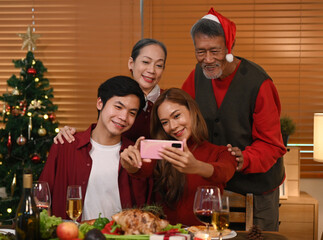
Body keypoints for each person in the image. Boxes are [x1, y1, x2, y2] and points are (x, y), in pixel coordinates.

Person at [181, 8, 286, 230]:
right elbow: (182, 118)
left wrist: (243, 159)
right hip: (213, 184)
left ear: (230, 47)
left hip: (257, 189)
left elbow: (272, 144)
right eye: (200, 52)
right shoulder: (196, 76)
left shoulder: (259, 83)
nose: (207, 60)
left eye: (215, 51)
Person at [39, 75, 150, 221]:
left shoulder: (136, 153)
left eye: (132, 113)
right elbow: (41, 200)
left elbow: (147, 209)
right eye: (118, 107)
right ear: (100, 103)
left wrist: (135, 170)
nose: (124, 117)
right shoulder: (66, 144)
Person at [120, 88, 237, 226]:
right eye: (165, 122)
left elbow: (224, 172)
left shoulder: (221, 152)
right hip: (168, 235)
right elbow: (142, 170)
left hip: (204, 235)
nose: (173, 126)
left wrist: (197, 167)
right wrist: (130, 164)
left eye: (176, 116)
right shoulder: (161, 151)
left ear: (192, 111)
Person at [53, 38, 167, 144]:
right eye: (146, 62)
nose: (151, 70)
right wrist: (70, 134)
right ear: (131, 63)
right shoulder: (114, 93)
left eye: (158, 65)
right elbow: (100, 133)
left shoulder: (168, 102)